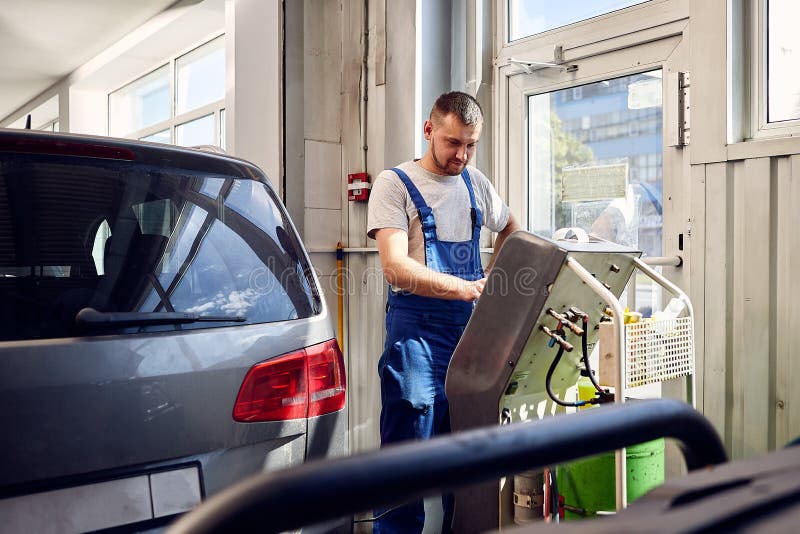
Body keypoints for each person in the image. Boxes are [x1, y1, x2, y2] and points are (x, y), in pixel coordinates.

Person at [367, 91, 520, 533]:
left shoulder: (476, 183)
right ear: (429, 130)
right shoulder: (394, 184)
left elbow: (510, 225)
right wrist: (469, 287)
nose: (462, 155)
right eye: (454, 142)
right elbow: (396, 268)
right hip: (415, 332)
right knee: (407, 455)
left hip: (469, 333)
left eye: (471, 145)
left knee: (469, 455)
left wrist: (493, 270)